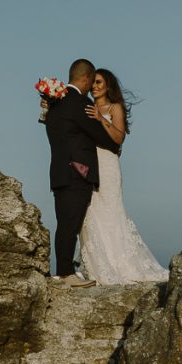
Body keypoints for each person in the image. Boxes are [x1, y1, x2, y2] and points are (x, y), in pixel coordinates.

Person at [79, 68, 168, 283]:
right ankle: (98, 264)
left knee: (111, 210)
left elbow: (119, 138)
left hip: (108, 165)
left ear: (108, 85)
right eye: (93, 82)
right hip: (89, 164)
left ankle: (120, 263)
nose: (95, 86)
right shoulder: (86, 107)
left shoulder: (114, 107)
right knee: (90, 212)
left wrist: (101, 119)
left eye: (99, 82)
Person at [43, 59, 122, 288]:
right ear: (86, 79)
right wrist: (114, 145)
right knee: (70, 224)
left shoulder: (54, 103)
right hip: (77, 173)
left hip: (58, 172)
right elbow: (99, 135)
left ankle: (62, 272)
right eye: (91, 81)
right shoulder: (79, 103)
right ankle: (66, 273)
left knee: (64, 223)